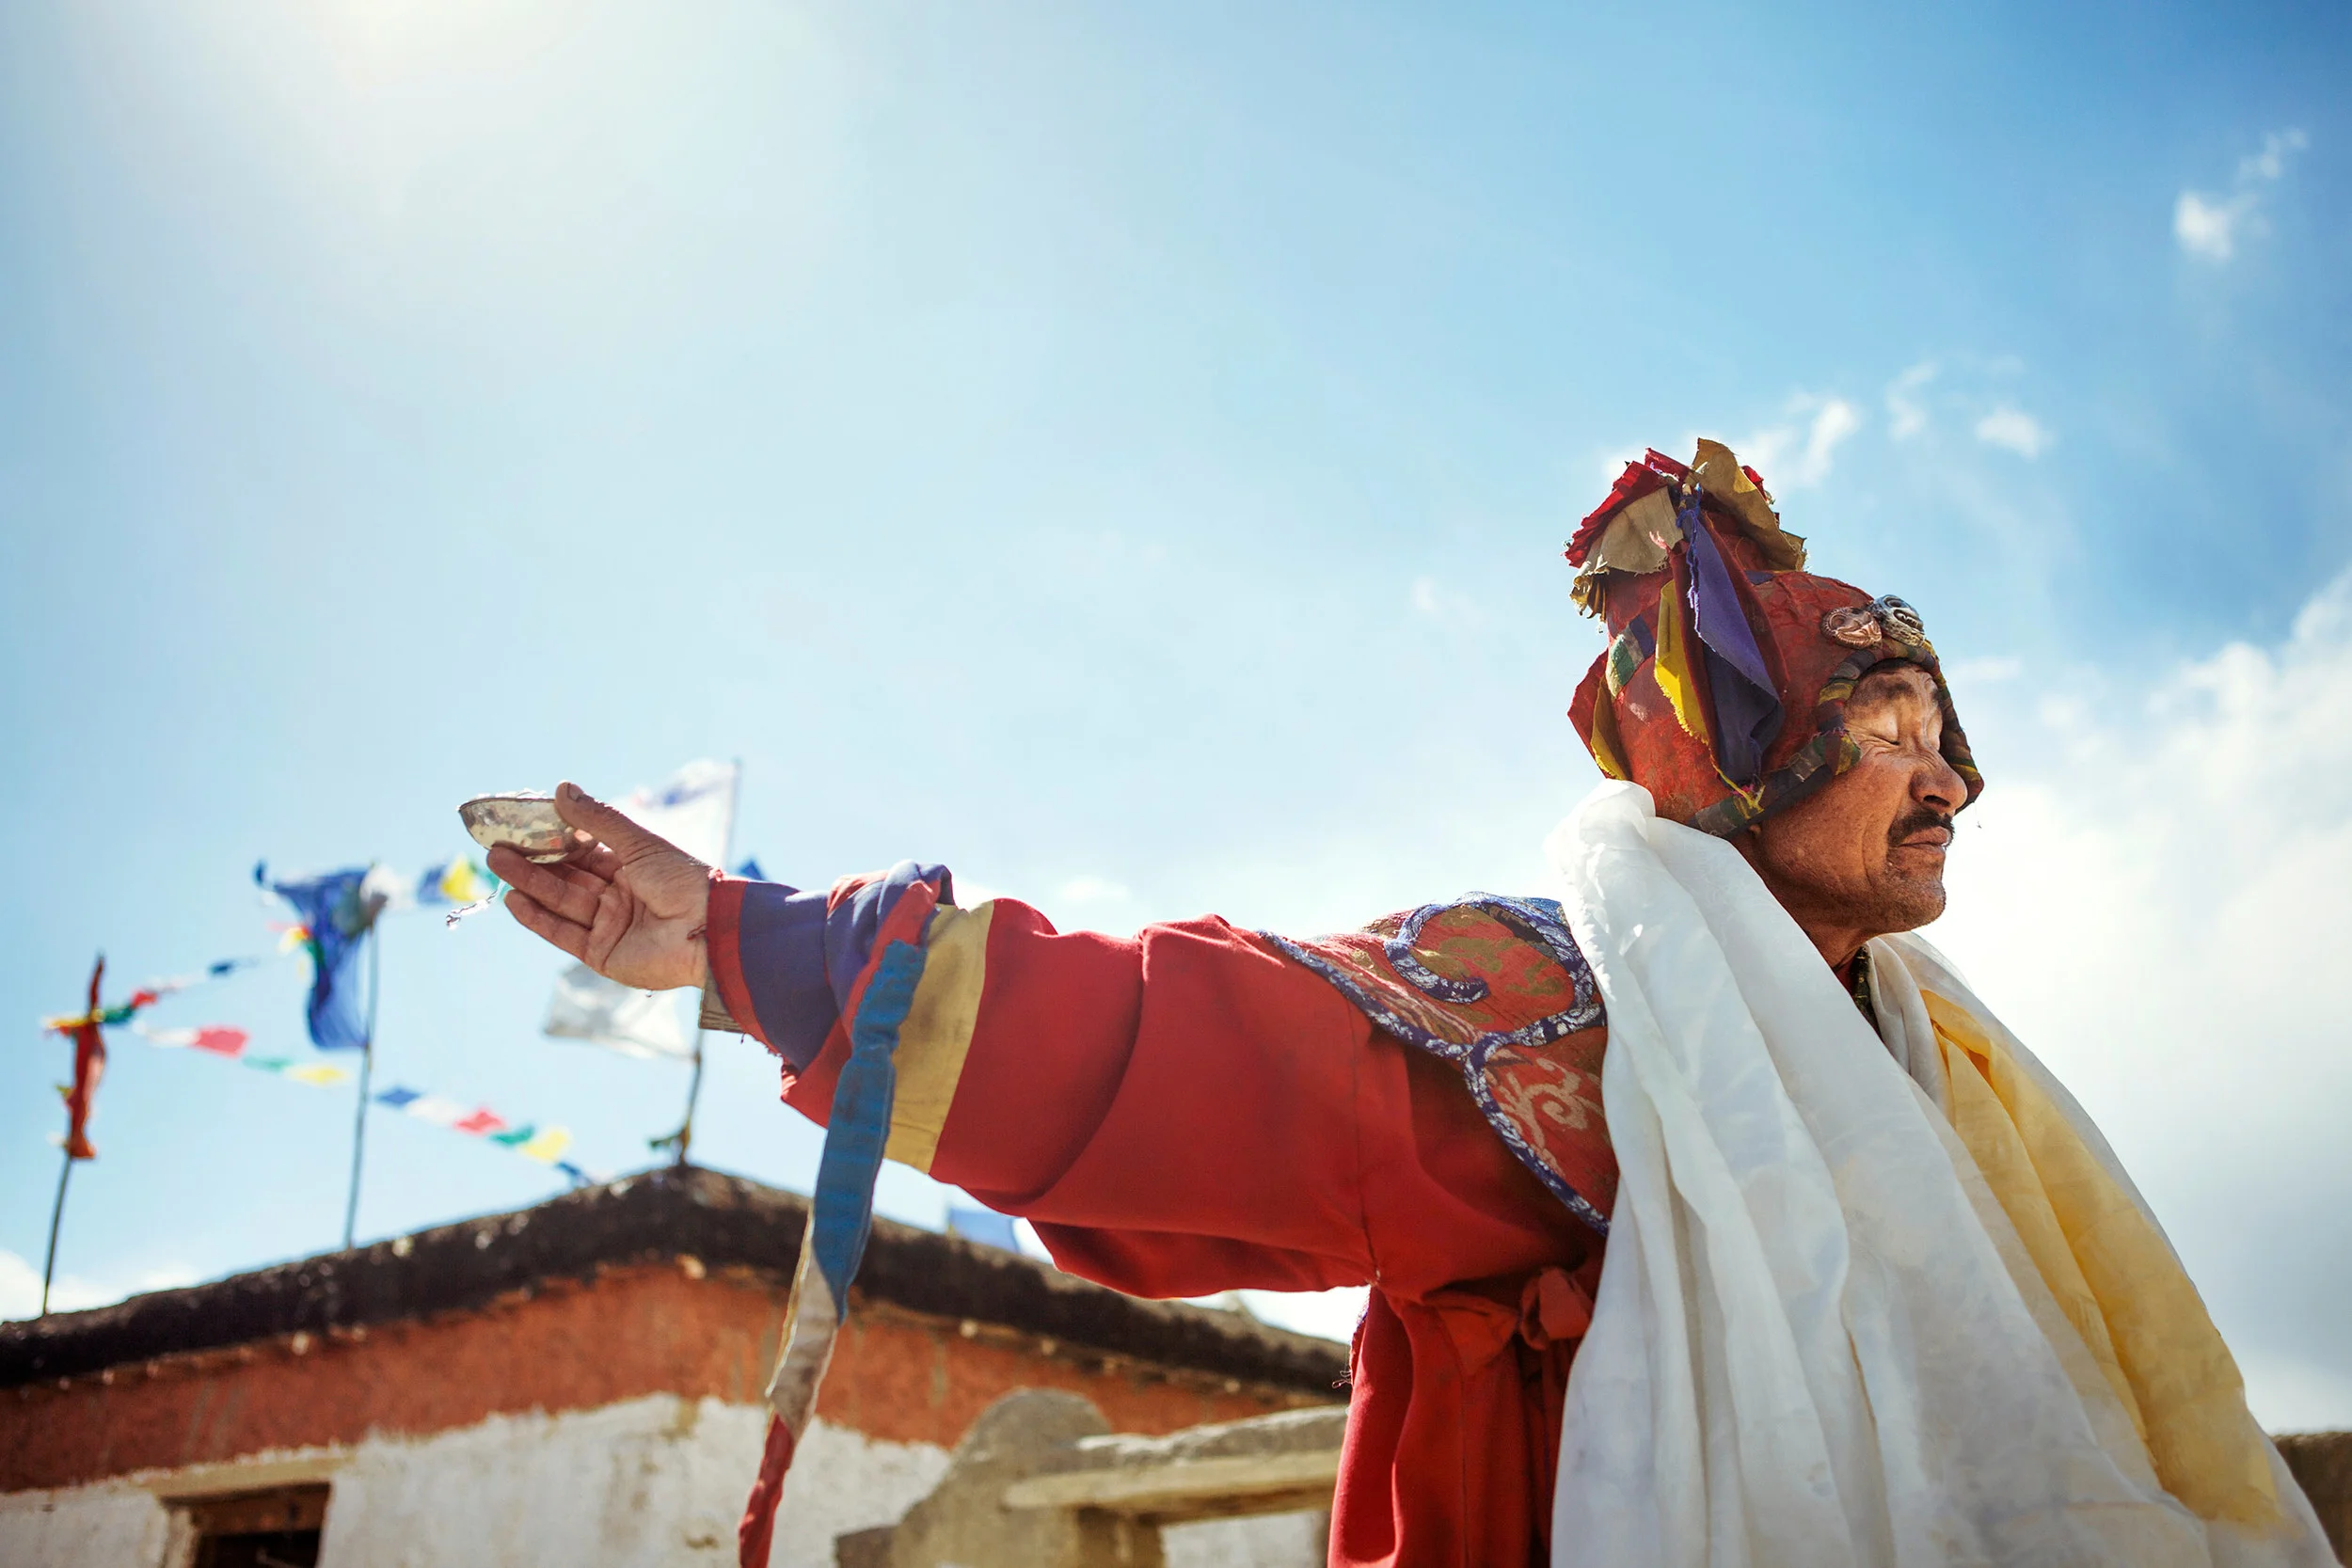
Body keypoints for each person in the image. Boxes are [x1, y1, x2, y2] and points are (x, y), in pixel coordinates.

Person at [491, 440, 2331, 1568]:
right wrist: (755, 946)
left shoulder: (1940, 1079)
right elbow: (1178, 1053)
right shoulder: (1552, 1011)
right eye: (1890, 731)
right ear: (1751, 748)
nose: (1950, 783)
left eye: (1951, 738)